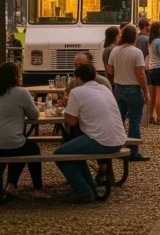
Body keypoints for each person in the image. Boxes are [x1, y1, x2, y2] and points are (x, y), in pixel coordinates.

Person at [54, 64, 127, 203]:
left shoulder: (77, 92)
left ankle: (83, 190)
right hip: (118, 138)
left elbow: (70, 122)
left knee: (60, 155)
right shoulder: (104, 88)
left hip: (100, 140)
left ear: (78, 79)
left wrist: (71, 107)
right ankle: (90, 187)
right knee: (75, 153)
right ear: (94, 76)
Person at [0, 62, 49, 200]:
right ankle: (37, 189)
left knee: (21, 145)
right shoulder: (21, 92)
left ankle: (11, 185)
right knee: (31, 149)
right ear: (16, 76)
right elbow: (34, 115)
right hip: (9, 143)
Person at [107, 24, 150, 161]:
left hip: (119, 88)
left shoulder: (115, 51)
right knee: (134, 121)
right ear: (134, 37)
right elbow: (141, 74)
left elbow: (110, 70)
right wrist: (146, 91)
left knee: (119, 120)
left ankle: (118, 146)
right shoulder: (137, 52)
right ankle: (133, 150)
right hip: (133, 88)